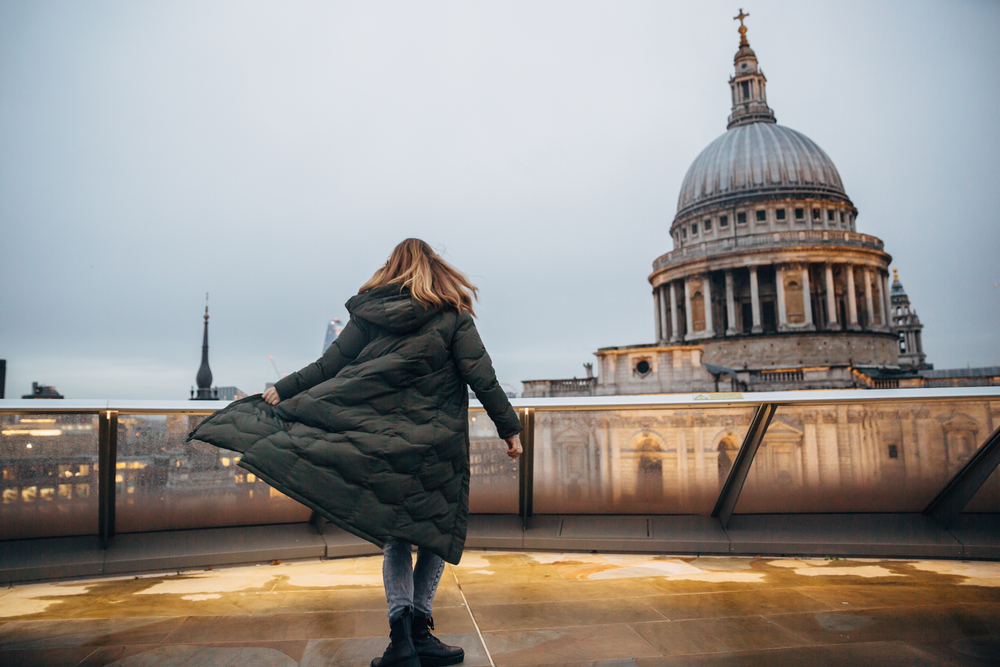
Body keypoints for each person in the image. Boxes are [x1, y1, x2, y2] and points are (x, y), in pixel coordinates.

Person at [189, 238, 522, 667]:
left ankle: (402, 642)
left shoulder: (370, 314)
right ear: (436, 269)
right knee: (435, 533)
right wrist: (509, 429)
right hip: (438, 450)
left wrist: (282, 390)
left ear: (392, 269)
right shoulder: (453, 317)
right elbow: (484, 377)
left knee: (396, 537)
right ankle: (420, 631)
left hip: (385, 446)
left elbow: (329, 366)